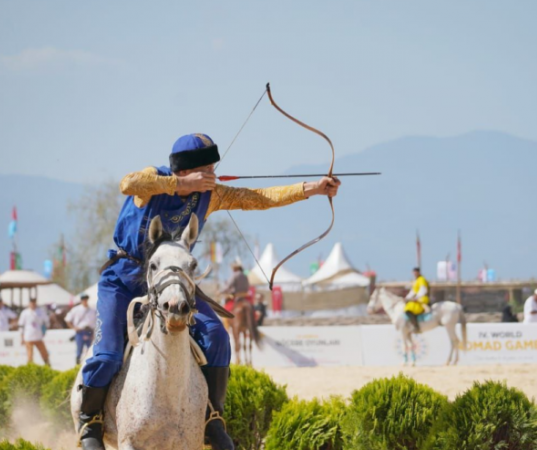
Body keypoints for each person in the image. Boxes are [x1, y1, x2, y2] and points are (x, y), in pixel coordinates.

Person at [77, 133, 341, 450]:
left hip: (175, 281)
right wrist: (178, 186)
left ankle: (212, 419)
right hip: (125, 278)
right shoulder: (151, 183)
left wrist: (311, 188)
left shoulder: (210, 195)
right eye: (207, 169)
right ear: (187, 169)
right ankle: (90, 421)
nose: (213, 175)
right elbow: (127, 183)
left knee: (216, 335)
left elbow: (258, 197)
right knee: (106, 355)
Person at [65, 294, 98, 365]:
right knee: (79, 350)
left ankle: (89, 364)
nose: (85, 301)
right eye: (83, 299)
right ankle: (77, 365)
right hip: (80, 331)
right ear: (81, 300)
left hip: (89, 331)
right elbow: (67, 319)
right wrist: (74, 328)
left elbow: (96, 321)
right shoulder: (76, 309)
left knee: (90, 350)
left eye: (86, 299)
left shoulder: (92, 309)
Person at [18, 298, 51, 366]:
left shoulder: (41, 311)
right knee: (30, 355)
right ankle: (30, 368)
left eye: (34, 303)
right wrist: (22, 337)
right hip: (28, 337)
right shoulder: (25, 312)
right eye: (31, 303)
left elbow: (47, 321)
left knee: (44, 354)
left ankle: (48, 366)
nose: (33, 304)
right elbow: (21, 325)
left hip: (38, 336)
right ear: (29, 303)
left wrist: (45, 328)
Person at [404, 267, 430, 332]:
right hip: (416, 298)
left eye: (416, 272)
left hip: (422, 298)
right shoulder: (416, 280)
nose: (415, 273)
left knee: (408, 309)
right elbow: (413, 291)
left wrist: (416, 297)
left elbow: (423, 290)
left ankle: (416, 326)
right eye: (414, 272)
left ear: (418, 272)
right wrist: (407, 297)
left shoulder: (421, 279)